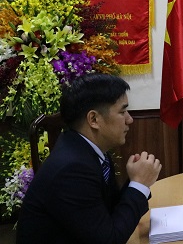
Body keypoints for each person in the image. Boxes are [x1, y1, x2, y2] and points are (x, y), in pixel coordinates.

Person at [17, 74, 162, 244]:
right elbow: (109, 239)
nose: (129, 120)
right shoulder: (71, 169)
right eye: (122, 112)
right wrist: (139, 185)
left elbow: (109, 214)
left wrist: (135, 180)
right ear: (94, 119)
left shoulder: (87, 148)